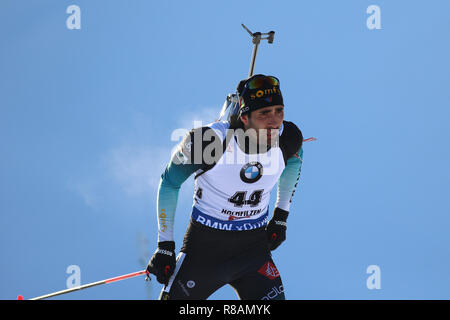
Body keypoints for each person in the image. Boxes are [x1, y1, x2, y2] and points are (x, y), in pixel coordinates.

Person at [146, 74, 304, 300]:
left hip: (253, 253)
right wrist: (165, 245)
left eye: (279, 110)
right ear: (245, 117)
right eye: (264, 113)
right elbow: (170, 183)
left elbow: (296, 159)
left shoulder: (287, 136)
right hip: (204, 253)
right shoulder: (210, 141)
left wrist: (280, 215)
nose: (274, 121)